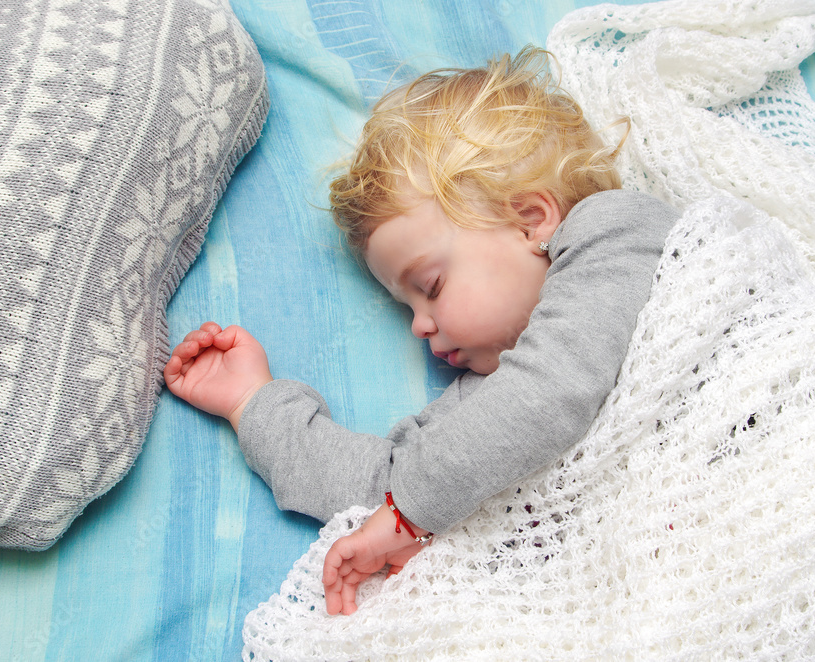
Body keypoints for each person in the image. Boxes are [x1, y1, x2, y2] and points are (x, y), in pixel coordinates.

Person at [163, 45, 679, 616]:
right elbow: (386, 490)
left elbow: (554, 388)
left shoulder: (619, 234)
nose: (419, 325)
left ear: (532, 220)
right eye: (406, 305)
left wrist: (409, 512)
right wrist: (252, 403)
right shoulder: (484, 408)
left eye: (430, 285)